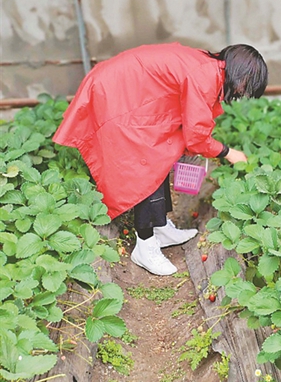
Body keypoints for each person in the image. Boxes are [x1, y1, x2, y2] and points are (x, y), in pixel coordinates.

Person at [53, 42, 268, 276]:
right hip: (115, 94)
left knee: (163, 150)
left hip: (126, 89)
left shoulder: (210, 69)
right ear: (239, 72)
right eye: (247, 84)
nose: (243, 92)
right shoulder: (205, 76)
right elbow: (196, 136)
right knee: (149, 162)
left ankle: (160, 226)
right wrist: (228, 152)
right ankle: (145, 246)